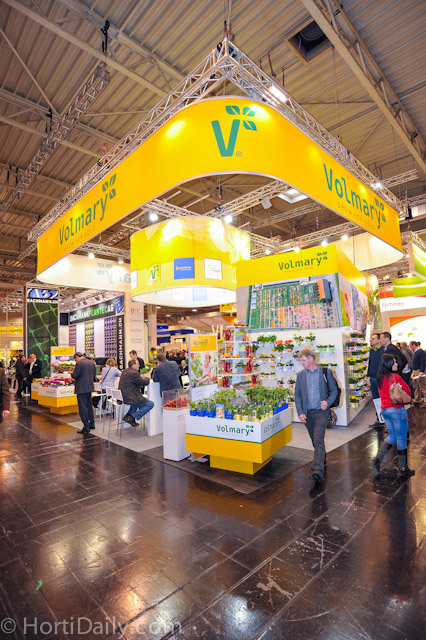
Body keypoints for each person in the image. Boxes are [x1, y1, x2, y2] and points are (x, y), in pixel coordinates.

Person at [295, 347, 338, 484]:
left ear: (311, 359)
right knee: (314, 439)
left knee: (318, 438)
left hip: (321, 412)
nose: (301, 362)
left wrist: (328, 402)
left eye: (303, 360)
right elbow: (297, 395)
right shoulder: (300, 375)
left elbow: (334, 391)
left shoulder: (325, 372)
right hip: (307, 413)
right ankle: (321, 457)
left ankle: (318, 470)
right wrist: (300, 412)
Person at [371, 353, 414, 477]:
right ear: (388, 364)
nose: (396, 364)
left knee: (392, 436)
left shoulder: (379, 378)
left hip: (385, 410)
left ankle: (377, 460)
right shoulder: (395, 377)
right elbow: (408, 391)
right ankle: (403, 468)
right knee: (401, 438)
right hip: (397, 411)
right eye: (394, 362)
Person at [119, 359, 153, 426]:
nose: (139, 365)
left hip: (123, 396)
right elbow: (145, 382)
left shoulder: (125, 371)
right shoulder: (134, 373)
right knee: (150, 404)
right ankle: (132, 417)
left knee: (135, 403)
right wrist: (146, 377)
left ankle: (128, 416)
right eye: (137, 364)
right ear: (133, 365)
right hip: (130, 396)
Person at [71, 352, 96, 434]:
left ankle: (86, 426)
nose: (75, 361)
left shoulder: (79, 364)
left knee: (83, 407)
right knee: (89, 406)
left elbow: (75, 375)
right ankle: (92, 423)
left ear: (77, 357)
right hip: (89, 387)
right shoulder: (91, 363)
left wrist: (71, 373)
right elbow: (94, 375)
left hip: (81, 388)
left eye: (75, 359)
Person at [367, 332, 385, 428]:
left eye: (373, 338)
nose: (371, 340)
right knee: (376, 399)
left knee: (383, 399)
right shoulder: (371, 351)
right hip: (372, 378)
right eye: (371, 338)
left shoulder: (383, 350)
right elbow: (370, 364)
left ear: (379, 340)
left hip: (380, 378)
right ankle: (379, 419)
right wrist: (368, 377)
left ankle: (385, 420)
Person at [409, 341, 426, 405]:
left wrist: (421, 372)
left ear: (413, 345)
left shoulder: (421, 352)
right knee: (416, 386)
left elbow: (423, 362)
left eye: (410, 345)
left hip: (418, 371)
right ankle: (417, 399)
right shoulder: (417, 352)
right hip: (415, 371)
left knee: (423, 386)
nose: (409, 347)